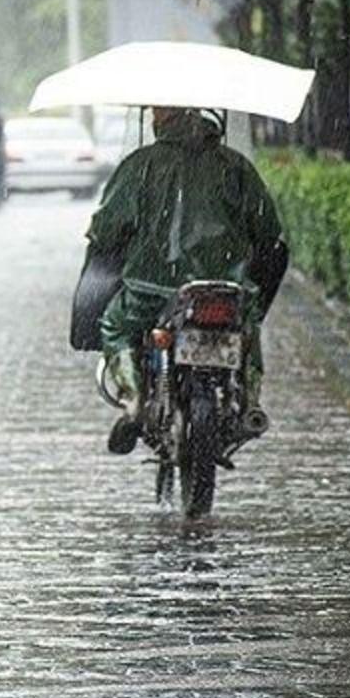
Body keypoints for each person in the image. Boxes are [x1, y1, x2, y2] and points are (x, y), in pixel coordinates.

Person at [78, 107, 287, 454]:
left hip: (151, 289)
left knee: (115, 323)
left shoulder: (140, 165)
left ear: (160, 119)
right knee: (246, 330)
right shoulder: (234, 166)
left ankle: (133, 399)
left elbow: (106, 228)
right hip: (225, 287)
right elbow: (267, 229)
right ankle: (250, 401)